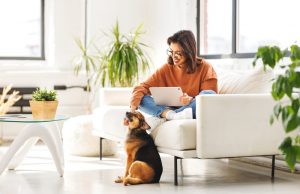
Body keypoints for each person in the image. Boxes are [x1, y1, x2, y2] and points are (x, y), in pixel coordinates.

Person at [130, 30, 218, 128]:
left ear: (189, 51)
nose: (174, 56)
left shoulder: (206, 68)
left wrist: (191, 99)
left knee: (208, 95)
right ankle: (173, 116)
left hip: (191, 108)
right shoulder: (167, 68)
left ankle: (167, 117)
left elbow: (211, 100)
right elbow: (142, 87)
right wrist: (133, 109)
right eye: (171, 52)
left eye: (178, 53)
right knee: (141, 98)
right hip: (169, 109)